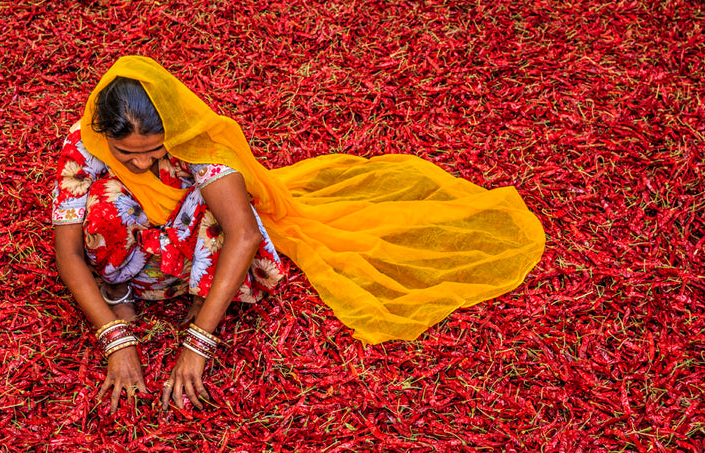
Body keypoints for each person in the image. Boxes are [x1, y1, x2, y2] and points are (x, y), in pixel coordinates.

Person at [51, 56, 545, 413]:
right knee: (105, 200)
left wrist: (198, 341)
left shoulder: (196, 139)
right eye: (125, 152)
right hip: (138, 255)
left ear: (173, 131)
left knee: (212, 209)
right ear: (102, 132)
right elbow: (69, 251)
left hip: (193, 241)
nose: (140, 162)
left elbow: (242, 236)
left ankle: (198, 302)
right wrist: (115, 339)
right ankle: (123, 295)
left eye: (154, 151)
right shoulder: (83, 143)